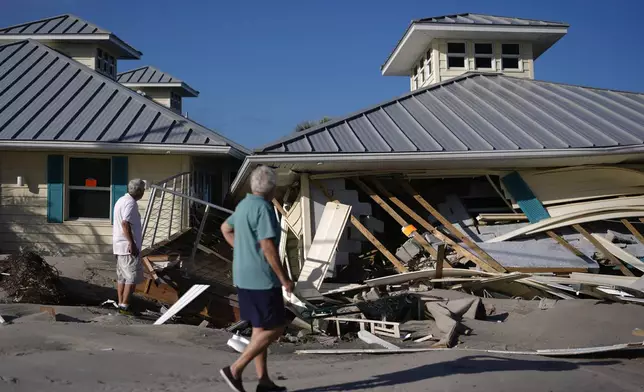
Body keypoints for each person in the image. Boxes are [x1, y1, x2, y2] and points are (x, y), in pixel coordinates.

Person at [219, 165, 294, 392]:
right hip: (262, 279)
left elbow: (225, 228)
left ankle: (264, 381)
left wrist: (242, 250)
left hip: (242, 276)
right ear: (272, 189)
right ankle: (235, 369)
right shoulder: (264, 208)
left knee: (259, 329)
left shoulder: (244, 205)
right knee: (277, 327)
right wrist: (284, 279)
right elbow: (268, 246)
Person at [112, 178, 146, 315]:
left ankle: (121, 304)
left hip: (119, 245)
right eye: (143, 189)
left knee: (122, 277)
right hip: (127, 247)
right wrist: (132, 243)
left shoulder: (121, 200)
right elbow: (125, 223)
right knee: (131, 278)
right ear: (138, 191)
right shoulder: (130, 203)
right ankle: (125, 306)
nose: (143, 192)